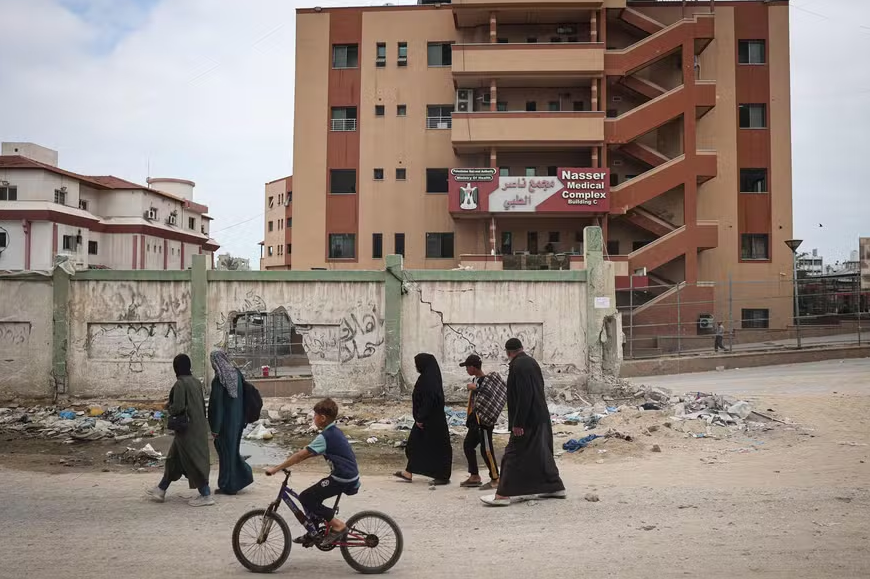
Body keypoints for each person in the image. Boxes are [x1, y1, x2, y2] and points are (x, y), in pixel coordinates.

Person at [481, 338, 565, 507]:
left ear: (508, 353)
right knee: (542, 453)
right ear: (522, 348)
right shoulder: (532, 362)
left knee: (512, 455)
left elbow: (524, 395)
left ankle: (503, 494)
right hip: (540, 417)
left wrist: (518, 422)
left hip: (527, 421)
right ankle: (554, 487)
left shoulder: (517, 366)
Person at [265, 398, 359, 545]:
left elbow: (300, 455)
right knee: (312, 497)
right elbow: (308, 454)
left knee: (306, 497)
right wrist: (296, 460)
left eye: (315, 415)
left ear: (322, 418)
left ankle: (337, 525)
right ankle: (313, 532)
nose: (313, 418)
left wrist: (276, 469)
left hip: (342, 478)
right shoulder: (334, 432)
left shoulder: (325, 437)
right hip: (349, 475)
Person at [146, 354, 214, 507]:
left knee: (193, 460)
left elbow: (178, 407)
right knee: (173, 459)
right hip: (197, 427)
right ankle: (161, 489)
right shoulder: (196, 382)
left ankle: (206, 494)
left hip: (186, 431)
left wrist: (167, 406)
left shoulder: (180, 384)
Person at [394, 353, 452, 485]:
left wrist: (421, 418)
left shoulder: (429, 380)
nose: (416, 367)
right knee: (414, 445)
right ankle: (409, 472)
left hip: (430, 421)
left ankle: (442, 476)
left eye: (417, 364)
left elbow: (429, 401)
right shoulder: (428, 377)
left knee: (435, 448)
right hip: (426, 419)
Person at [208, 350, 254, 495]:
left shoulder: (219, 380)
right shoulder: (237, 374)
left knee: (226, 454)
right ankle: (234, 481)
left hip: (225, 424)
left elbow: (217, 406)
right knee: (232, 452)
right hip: (239, 421)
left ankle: (229, 484)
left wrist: (214, 428)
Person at [458, 354, 506, 491]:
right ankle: (474, 476)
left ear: (473, 367)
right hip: (475, 421)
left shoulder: (485, 381)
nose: (466, 369)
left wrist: (475, 388)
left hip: (484, 422)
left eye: (467, 367)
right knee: (468, 445)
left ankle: (496, 479)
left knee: (486, 450)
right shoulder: (477, 380)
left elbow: (489, 395)